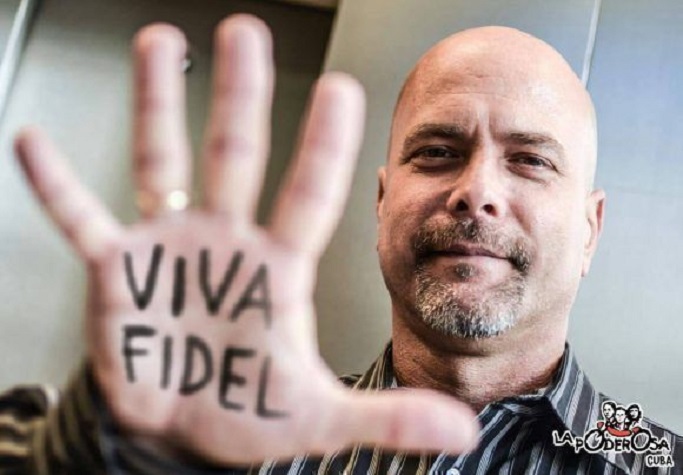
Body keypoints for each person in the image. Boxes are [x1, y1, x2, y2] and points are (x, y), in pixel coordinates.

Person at [0, 12, 681, 475]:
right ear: (382, 203)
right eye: (437, 151)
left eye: (530, 160)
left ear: (590, 230)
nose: (476, 191)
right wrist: (128, 440)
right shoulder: (246, 438)